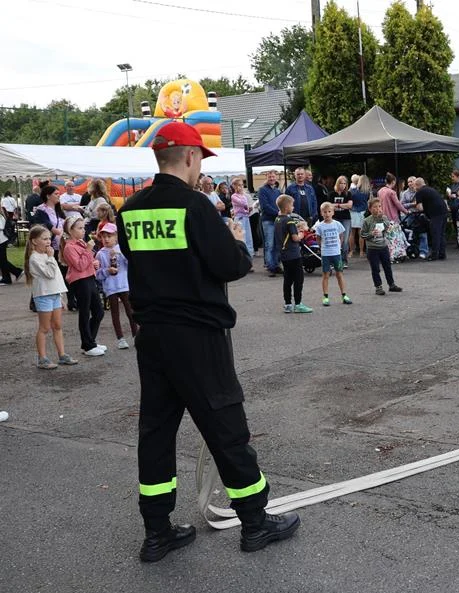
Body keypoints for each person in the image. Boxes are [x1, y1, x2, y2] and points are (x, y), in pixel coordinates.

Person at [118, 122, 300, 560]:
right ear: (189, 157)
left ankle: (157, 531)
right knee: (226, 427)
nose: (200, 165)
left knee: (156, 432)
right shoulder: (195, 206)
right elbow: (228, 266)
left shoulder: (131, 209)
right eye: (200, 157)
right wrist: (237, 243)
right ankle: (255, 522)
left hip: (153, 337)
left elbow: (136, 259)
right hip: (198, 336)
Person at [24, 225, 78, 369]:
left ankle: (62, 355)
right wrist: (50, 258)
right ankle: (42, 358)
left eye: (49, 238)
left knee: (58, 326)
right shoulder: (35, 258)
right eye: (44, 239)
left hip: (54, 294)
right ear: (34, 241)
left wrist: (60, 296)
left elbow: (56, 280)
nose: (48, 241)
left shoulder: (47, 256)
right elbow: (50, 274)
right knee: (44, 327)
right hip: (44, 296)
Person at [61, 217, 107, 356]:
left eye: (83, 227)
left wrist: (94, 263)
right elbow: (79, 265)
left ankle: (90, 341)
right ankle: (88, 345)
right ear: (70, 230)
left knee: (99, 311)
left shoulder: (80, 243)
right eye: (79, 228)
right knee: (85, 313)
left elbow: (87, 261)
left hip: (89, 278)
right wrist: (88, 250)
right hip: (80, 281)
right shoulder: (69, 247)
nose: (83, 231)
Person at [95, 220, 138, 349]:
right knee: (115, 313)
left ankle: (136, 335)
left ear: (116, 237)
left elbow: (131, 264)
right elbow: (97, 274)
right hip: (111, 288)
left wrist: (121, 255)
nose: (106, 239)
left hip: (124, 285)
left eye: (109, 236)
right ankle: (120, 338)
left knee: (130, 311)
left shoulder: (122, 249)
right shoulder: (100, 254)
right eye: (104, 237)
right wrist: (107, 271)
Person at [274, 194, 312, 314]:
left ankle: (288, 304)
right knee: (298, 279)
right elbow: (295, 238)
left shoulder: (278, 219)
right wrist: (302, 232)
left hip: (284, 254)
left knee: (287, 279)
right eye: (292, 205)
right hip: (293, 254)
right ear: (286, 207)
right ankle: (298, 304)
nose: (293, 207)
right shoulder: (289, 220)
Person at [360, 199, 403, 296]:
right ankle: (378, 287)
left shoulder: (384, 218)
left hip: (383, 246)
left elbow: (388, 228)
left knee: (387, 266)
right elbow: (362, 235)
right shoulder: (367, 221)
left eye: (379, 206)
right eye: (375, 207)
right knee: (375, 268)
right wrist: (371, 234)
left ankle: (391, 284)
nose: (378, 209)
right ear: (370, 209)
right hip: (372, 248)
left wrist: (383, 219)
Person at [313, 202, 352, 306]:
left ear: (333, 212)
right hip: (326, 254)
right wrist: (322, 248)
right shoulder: (320, 226)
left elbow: (341, 236)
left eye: (329, 211)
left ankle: (344, 295)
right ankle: (325, 296)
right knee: (326, 275)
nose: (327, 214)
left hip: (336, 253)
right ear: (321, 213)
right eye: (324, 212)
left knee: (339, 274)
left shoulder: (337, 224)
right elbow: (318, 239)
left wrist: (338, 247)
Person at [414, 178, 449, 261]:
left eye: (415, 185)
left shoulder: (419, 192)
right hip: (443, 211)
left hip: (435, 214)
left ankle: (434, 255)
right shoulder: (431, 189)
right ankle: (442, 253)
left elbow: (420, 207)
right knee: (441, 234)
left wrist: (415, 206)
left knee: (435, 234)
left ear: (417, 185)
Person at [258, 170, 282, 276]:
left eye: (273, 177)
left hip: (277, 220)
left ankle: (276, 265)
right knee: (269, 244)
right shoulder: (262, 190)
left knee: (277, 244)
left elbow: (281, 204)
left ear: (276, 178)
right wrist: (278, 213)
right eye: (269, 177)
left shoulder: (277, 191)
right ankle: (270, 266)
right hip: (268, 220)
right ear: (266, 178)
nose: (272, 178)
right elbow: (265, 206)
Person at [401, 176, 429, 259]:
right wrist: (412, 204)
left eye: (411, 181)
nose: (410, 183)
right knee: (408, 233)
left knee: (422, 233)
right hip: (410, 215)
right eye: (408, 182)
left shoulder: (421, 191)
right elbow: (401, 205)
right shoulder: (405, 193)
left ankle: (423, 251)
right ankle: (409, 250)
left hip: (420, 214)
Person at [230, 177, 254, 270]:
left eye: (242, 185)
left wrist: (249, 208)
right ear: (234, 186)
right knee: (240, 239)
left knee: (248, 238)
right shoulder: (234, 196)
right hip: (239, 218)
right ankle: (240, 260)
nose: (241, 187)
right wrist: (247, 206)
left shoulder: (243, 195)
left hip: (245, 217)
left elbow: (246, 207)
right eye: (238, 185)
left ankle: (249, 259)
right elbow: (243, 203)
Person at [328, 176, 353, 265]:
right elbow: (329, 206)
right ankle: (334, 260)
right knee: (335, 239)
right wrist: (343, 205)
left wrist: (337, 205)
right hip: (335, 218)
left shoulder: (348, 194)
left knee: (345, 240)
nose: (342, 185)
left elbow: (350, 206)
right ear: (337, 183)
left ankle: (344, 260)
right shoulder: (331, 194)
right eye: (341, 183)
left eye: (344, 183)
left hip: (346, 218)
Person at [0, 193, 22, 284]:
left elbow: (1, 227)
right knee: (2, 260)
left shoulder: (1, 213)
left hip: (1, 238)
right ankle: (9, 276)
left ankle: (14, 273)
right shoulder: (2, 212)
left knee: (2, 260)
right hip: (2, 238)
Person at [350, 175, 372, 257]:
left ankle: (351, 251)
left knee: (351, 234)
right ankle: (361, 251)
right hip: (362, 212)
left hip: (353, 212)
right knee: (361, 233)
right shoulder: (367, 191)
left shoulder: (353, 191)